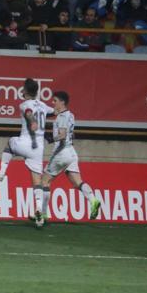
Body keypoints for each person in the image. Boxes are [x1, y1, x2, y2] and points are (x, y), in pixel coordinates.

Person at [0, 78, 54, 228]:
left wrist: (32, 121)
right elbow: (54, 112)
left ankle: (1, 172)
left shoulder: (24, 104)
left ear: (25, 91)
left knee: (9, 143)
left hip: (25, 142)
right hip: (38, 147)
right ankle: (39, 211)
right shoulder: (44, 106)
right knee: (37, 181)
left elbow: (28, 112)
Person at [41, 91, 101, 228]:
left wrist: (51, 138)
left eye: (55, 100)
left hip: (61, 152)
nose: (53, 103)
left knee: (44, 181)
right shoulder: (71, 115)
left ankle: (43, 213)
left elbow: (62, 135)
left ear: (62, 102)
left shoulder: (62, 116)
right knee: (77, 182)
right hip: (71, 152)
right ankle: (93, 200)